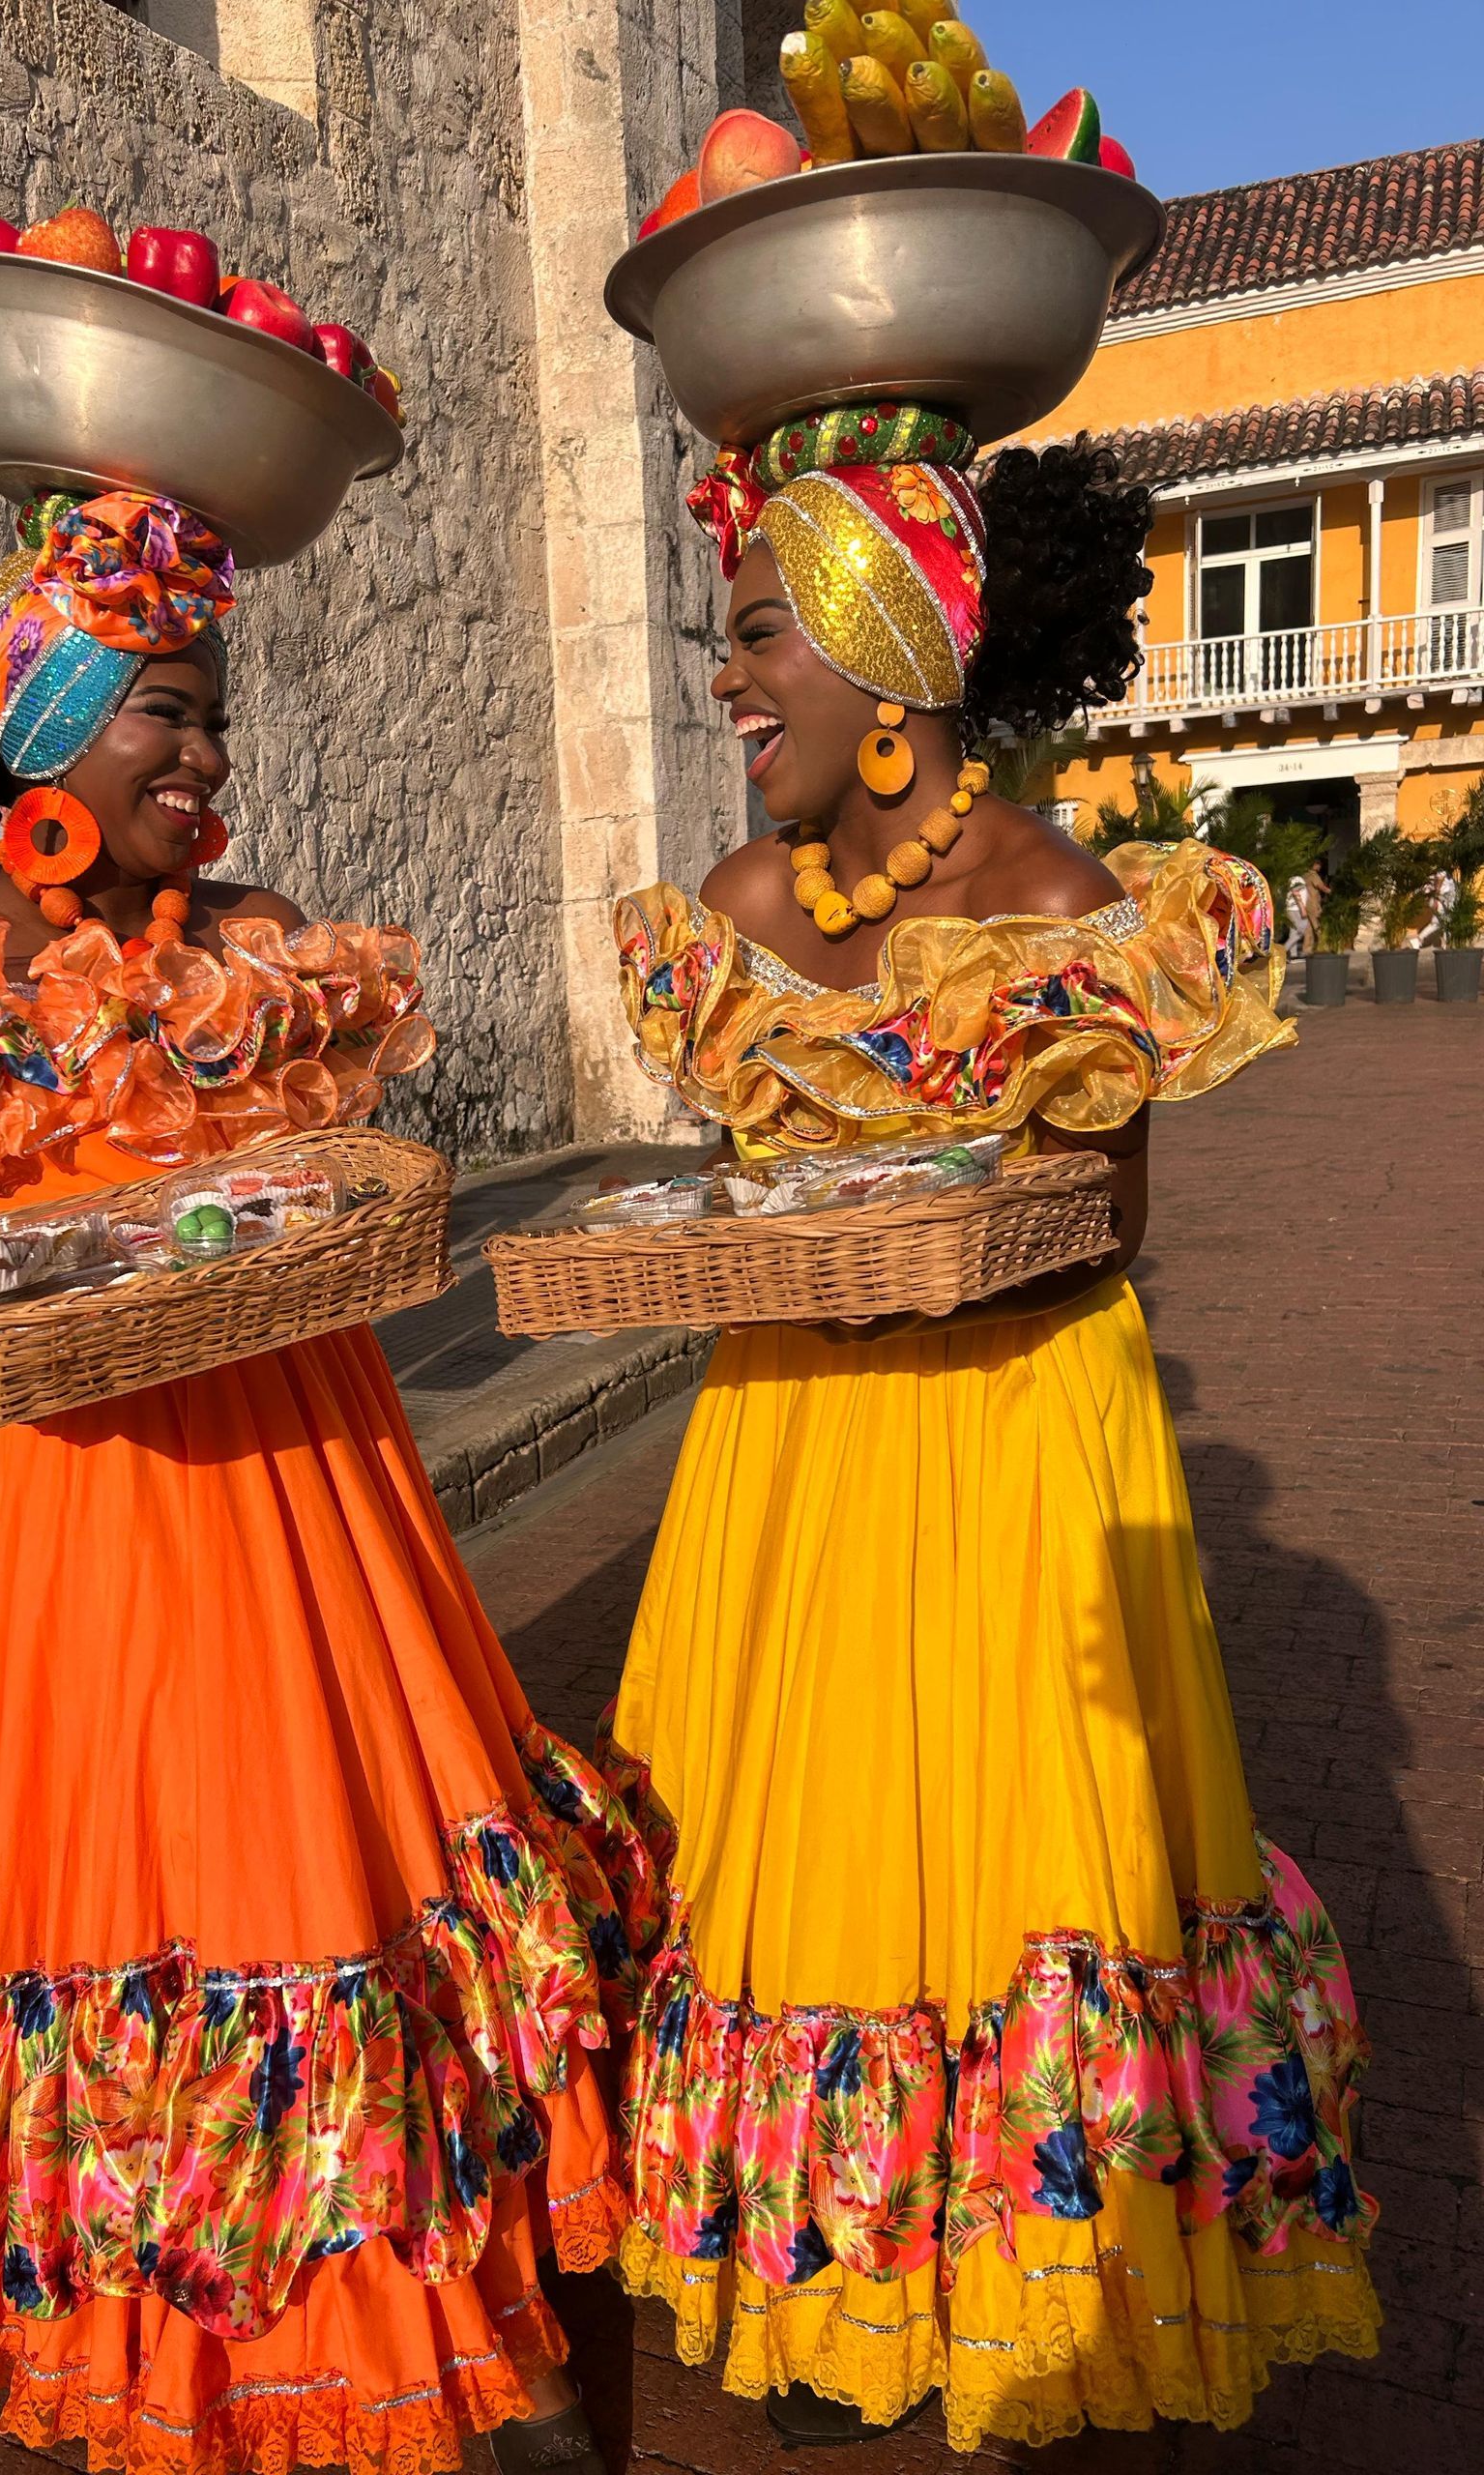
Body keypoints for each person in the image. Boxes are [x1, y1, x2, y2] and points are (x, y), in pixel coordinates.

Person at [0, 492, 655, 2475]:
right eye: (164, 708)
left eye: (215, 714)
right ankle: (195, 2336)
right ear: (43, 714)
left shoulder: (256, 956)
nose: (207, 754)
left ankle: (461, 2327)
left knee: (340, 1857)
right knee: (151, 1898)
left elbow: (329, 1188)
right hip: (73, 1518)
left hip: (305, 1481)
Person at [600, 419, 1380, 2453]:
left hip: (1022, 1436)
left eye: (764, 626)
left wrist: (922, 1238)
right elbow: (741, 1196)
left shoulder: (1065, 902)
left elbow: (1101, 1220)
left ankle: (1031, 2258)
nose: (728, 671)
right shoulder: (736, 907)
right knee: (823, 1834)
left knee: (1005, 1834)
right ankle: (837, 2254)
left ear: (885, 654)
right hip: (795, 1448)